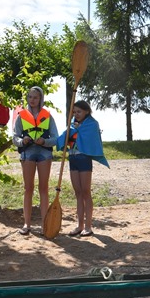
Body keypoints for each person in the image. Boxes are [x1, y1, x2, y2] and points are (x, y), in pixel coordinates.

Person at [56, 100, 109, 237]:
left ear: (86, 111)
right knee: (78, 192)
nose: (76, 114)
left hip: (84, 159)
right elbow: (63, 138)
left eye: (79, 111)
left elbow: (92, 140)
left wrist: (78, 129)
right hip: (73, 158)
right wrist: (67, 135)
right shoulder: (72, 125)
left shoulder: (92, 124)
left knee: (85, 191)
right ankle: (79, 225)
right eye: (74, 112)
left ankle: (88, 226)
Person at [11, 87, 58, 235]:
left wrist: (44, 141)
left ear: (40, 99)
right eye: (30, 97)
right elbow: (15, 137)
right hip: (28, 152)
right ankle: (27, 224)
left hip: (44, 153)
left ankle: (45, 224)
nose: (32, 100)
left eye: (35, 97)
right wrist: (22, 141)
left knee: (43, 188)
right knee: (28, 188)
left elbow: (55, 138)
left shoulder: (48, 116)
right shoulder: (21, 116)